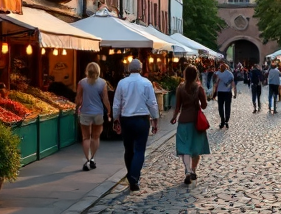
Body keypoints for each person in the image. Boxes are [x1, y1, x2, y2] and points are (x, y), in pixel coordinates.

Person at [111, 59, 160, 192]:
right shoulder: (146, 83)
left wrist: (116, 119)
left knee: (128, 149)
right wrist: (155, 118)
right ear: (140, 69)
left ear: (129, 69)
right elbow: (152, 103)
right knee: (139, 149)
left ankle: (132, 176)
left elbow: (117, 103)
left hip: (126, 119)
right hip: (142, 119)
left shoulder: (122, 83)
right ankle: (134, 176)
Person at [170, 65, 210, 185]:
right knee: (196, 147)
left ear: (185, 75)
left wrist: (174, 117)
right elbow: (204, 105)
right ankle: (193, 170)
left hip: (183, 120)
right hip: (196, 122)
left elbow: (177, 106)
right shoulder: (198, 88)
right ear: (196, 75)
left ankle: (187, 170)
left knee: (184, 147)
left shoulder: (180, 88)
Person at [75, 62, 112, 172]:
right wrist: (109, 111)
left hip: (85, 112)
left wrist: (76, 107)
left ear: (87, 71)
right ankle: (92, 158)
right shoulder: (102, 83)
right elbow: (105, 99)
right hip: (98, 113)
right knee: (96, 137)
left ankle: (87, 160)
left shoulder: (82, 82)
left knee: (86, 137)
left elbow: (78, 98)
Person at [212, 62, 236, 128]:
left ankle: (222, 121)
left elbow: (215, 84)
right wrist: (235, 93)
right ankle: (226, 120)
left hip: (220, 92)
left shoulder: (217, 74)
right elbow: (233, 84)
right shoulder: (230, 74)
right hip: (227, 93)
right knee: (227, 107)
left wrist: (214, 93)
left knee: (220, 107)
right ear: (226, 67)